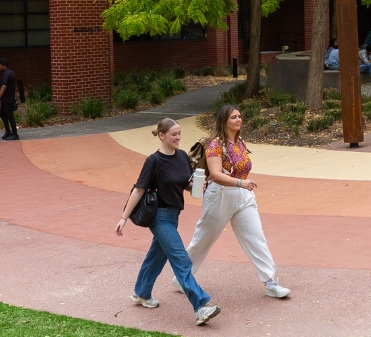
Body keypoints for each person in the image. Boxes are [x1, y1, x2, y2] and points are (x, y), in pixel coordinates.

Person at [116, 117, 218, 325]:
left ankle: (141, 293)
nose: (178, 137)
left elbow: (186, 185)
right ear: (162, 136)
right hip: (159, 217)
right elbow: (139, 189)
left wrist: (197, 185)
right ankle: (200, 306)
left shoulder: (181, 156)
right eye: (174, 134)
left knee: (156, 256)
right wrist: (123, 218)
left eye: (179, 133)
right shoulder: (154, 161)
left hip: (174, 216)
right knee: (181, 259)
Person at [186, 103, 289, 300]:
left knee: (256, 237)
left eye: (240, 116)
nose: (238, 120)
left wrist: (242, 186)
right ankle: (182, 277)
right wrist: (241, 183)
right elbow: (215, 175)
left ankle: (270, 282)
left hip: (243, 196)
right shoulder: (214, 145)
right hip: (220, 195)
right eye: (234, 117)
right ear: (224, 121)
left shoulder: (240, 142)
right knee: (203, 238)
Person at [0, 58, 20, 141]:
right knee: (2, 114)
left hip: (7, 99)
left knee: (10, 116)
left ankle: (15, 134)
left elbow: (4, 87)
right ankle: (8, 131)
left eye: (0, 66)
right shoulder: (10, 72)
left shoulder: (6, 74)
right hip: (7, 99)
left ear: (4, 66)